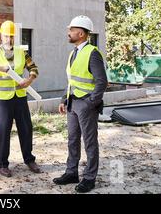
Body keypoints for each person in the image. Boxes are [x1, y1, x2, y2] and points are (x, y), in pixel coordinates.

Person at [0, 20, 41, 177]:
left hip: (20, 97)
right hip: (4, 100)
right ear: (1, 36)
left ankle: (29, 160)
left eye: (11, 36)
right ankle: (2, 164)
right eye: (6, 36)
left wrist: (29, 80)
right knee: (3, 130)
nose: (9, 40)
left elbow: (34, 69)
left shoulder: (21, 52)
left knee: (26, 129)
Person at [53, 15, 108, 193]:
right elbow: (71, 80)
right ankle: (71, 173)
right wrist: (64, 99)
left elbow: (102, 82)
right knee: (72, 140)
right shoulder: (73, 53)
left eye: (72, 30)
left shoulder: (93, 53)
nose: (68, 33)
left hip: (86, 105)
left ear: (81, 33)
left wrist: (91, 103)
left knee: (90, 142)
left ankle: (89, 178)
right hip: (72, 103)